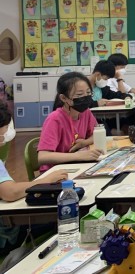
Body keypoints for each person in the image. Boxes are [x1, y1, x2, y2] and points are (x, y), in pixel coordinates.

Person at [0, 102, 69, 257]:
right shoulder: (55, 119)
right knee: (62, 217)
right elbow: (10, 192)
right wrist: (44, 180)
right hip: (4, 235)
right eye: (2, 135)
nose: (4, 139)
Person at [38, 72, 103, 172]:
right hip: (56, 171)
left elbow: (97, 133)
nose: (86, 97)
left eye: (88, 93)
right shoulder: (55, 119)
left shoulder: (85, 112)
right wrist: (78, 156)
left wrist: (84, 143)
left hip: (76, 166)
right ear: (64, 98)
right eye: (79, 94)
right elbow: (43, 156)